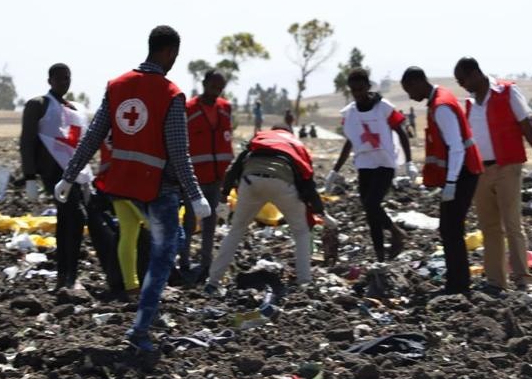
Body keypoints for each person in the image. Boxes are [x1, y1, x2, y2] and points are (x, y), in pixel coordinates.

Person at [55, 26, 211, 353]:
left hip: (122, 185)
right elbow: (179, 152)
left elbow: (93, 136)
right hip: (159, 189)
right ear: (169, 52)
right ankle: (140, 330)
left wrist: (68, 176)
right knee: (162, 258)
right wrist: (196, 196)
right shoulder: (171, 94)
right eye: (175, 56)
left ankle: (144, 311)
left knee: (163, 239)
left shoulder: (117, 87)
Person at [455, 57, 532, 293]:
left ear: (475, 74)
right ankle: (496, 281)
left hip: (508, 166)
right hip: (481, 170)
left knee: (511, 223)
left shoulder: (507, 92)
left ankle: (522, 279)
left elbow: (526, 125)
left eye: (463, 80)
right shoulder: (469, 104)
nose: (462, 85)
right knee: (489, 227)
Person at [20, 63, 119, 292]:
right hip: (54, 173)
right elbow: (27, 140)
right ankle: (69, 277)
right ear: (50, 80)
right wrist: (29, 177)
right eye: (60, 78)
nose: (64, 82)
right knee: (74, 220)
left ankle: (65, 276)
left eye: (67, 78)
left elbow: (82, 142)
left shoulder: (75, 109)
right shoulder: (39, 105)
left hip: (77, 174)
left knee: (68, 222)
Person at [207, 125, 333, 292]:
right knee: (301, 232)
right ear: (289, 133)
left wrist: (224, 195)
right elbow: (307, 181)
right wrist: (320, 211)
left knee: (236, 230)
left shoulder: (260, 139)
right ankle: (304, 282)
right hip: (282, 182)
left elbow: (235, 167)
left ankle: (213, 282)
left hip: (250, 180)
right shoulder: (294, 145)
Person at [401, 66, 483, 295]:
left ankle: (458, 285)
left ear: (418, 82)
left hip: (463, 173)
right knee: (450, 229)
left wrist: (451, 183)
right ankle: (457, 282)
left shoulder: (441, 107)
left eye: (409, 89)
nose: (409, 96)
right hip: (462, 173)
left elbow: (456, 147)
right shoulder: (439, 100)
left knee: (450, 229)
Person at [326, 69, 412, 261]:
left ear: (368, 86)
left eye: (361, 88)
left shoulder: (384, 107)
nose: (358, 93)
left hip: (385, 163)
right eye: (354, 90)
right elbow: (350, 141)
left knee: (372, 203)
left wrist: (409, 161)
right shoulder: (350, 114)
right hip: (364, 165)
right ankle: (380, 256)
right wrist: (334, 171)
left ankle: (396, 233)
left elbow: (401, 131)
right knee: (370, 210)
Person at [179, 69, 233, 280]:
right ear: (204, 84)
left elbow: (227, 141)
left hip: (217, 176)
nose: (216, 92)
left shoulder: (225, 108)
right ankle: (184, 263)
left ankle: (206, 264)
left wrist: (229, 176)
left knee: (210, 224)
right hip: (194, 178)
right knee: (190, 222)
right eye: (213, 87)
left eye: (220, 89)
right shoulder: (188, 109)